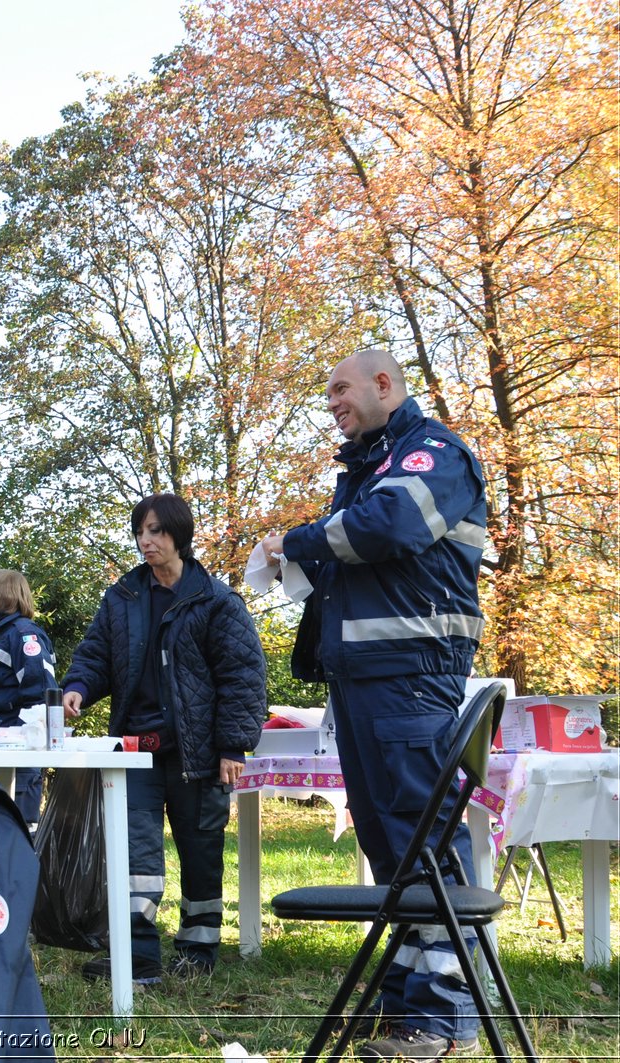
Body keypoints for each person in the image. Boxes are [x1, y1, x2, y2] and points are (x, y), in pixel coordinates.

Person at [258, 347, 487, 1060]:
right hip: (363, 682)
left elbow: (384, 528)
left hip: (410, 678)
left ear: (385, 385)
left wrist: (294, 541)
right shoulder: (367, 468)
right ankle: (408, 1007)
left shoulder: (435, 453)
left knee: (426, 838)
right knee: (391, 847)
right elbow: (351, 553)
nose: (331, 402)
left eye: (340, 389)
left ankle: (447, 1018)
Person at [61, 493, 266, 985]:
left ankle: (198, 950)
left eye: (155, 531)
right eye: (140, 531)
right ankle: (138, 956)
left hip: (199, 754)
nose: (145, 541)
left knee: (201, 853)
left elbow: (243, 676)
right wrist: (77, 688)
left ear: (179, 535)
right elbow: (96, 654)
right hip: (135, 751)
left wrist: (233, 746)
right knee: (135, 856)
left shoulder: (216, 600)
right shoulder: (122, 597)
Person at [0, 568, 57, 826]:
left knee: (15, 834)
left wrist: (18, 743)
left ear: (3, 596)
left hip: (17, 761)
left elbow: (41, 700)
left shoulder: (23, 635)